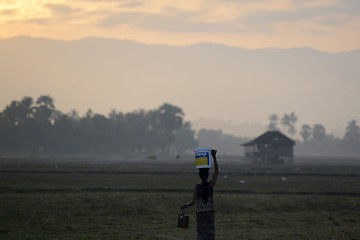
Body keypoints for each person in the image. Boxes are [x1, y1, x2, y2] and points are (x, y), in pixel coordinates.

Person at [180, 149, 218, 240]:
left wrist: (185, 205)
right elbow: (216, 172)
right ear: (208, 175)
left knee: (201, 234)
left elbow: (193, 202)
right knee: (210, 234)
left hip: (200, 214)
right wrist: (214, 157)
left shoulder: (197, 188)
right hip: (210, 213)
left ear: (200, 176)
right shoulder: (211, 185)